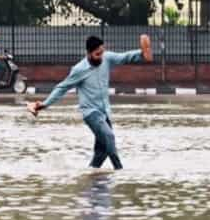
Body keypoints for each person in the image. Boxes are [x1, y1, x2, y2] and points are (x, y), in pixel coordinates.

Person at [27, 35, 153, 171]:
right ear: (89, 53)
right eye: (97, 54)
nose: (101, 56)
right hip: (91, 113)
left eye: (102, 52)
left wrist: (141, 53)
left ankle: (91, 174)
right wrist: (45, 104)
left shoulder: (107, 58)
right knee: (109, 136)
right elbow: (62, 88)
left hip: (105, 112)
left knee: (103, 151)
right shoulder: (79, 69)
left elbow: (124, 57)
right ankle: (120, 170)